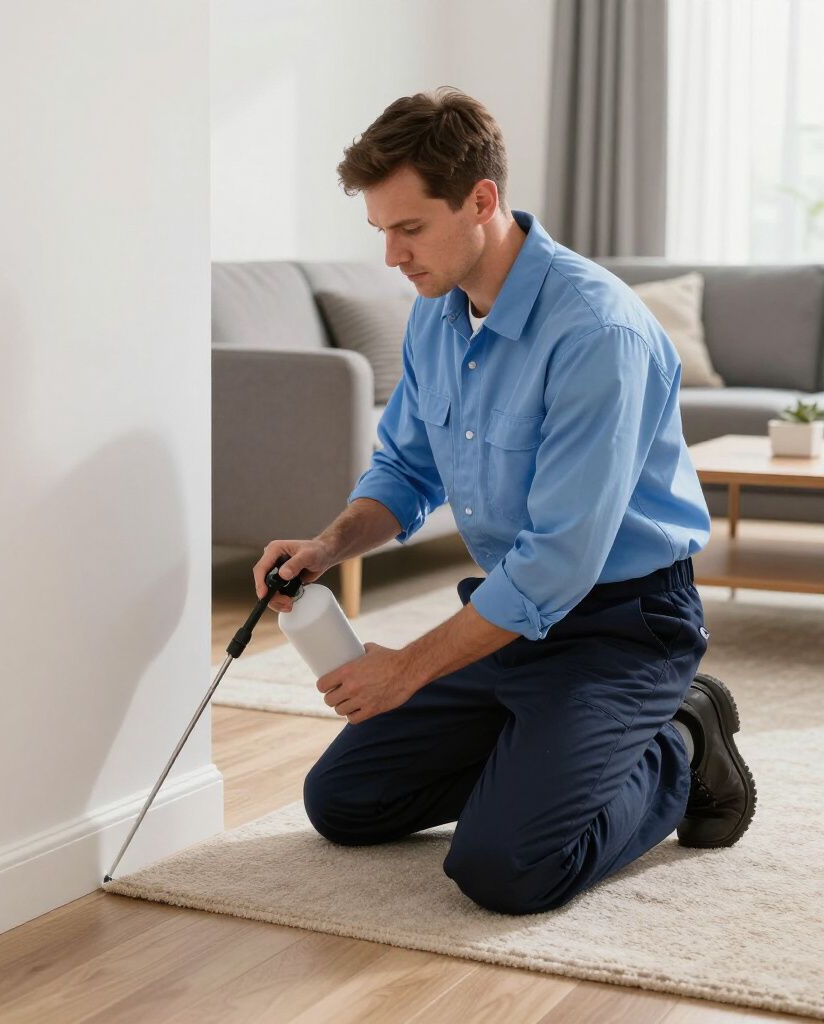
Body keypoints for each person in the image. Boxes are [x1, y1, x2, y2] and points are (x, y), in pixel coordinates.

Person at [251, 87, 756, 915]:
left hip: (621, 629)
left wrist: (406, 670)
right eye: (381, 230)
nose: (391, 256)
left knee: (506, 868)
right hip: (507, 622)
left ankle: (681, 739)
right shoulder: (435, 317)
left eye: (409, 228)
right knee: (343, 803)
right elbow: (406, 472)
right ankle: (544, 750)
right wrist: (327, 546)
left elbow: (557, 562)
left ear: (481, 200)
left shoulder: (597, 333)